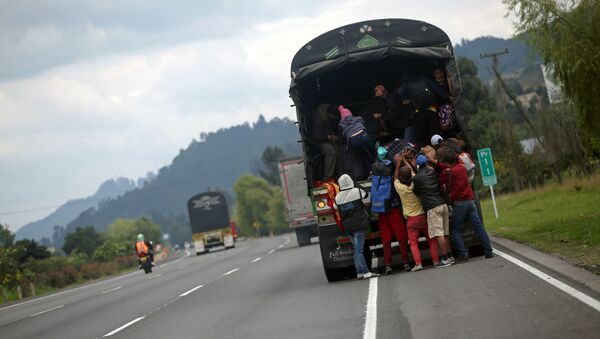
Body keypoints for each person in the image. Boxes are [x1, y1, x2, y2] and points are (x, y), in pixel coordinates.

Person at [433, 152, 494, 260]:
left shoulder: (448, 173)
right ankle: (488, 251)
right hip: (471, 202)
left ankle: (463, 254)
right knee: (479, 227)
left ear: (447, 162)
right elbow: (450, 167)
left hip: (460, 204)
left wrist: (436, 164)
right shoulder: (461, 167)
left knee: (455, 230)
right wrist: (438, 163)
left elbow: (440, 180)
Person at [393, 151, 440, 271]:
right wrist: (404, 161)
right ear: (410, 175)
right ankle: (435, 261)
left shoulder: (401, 189)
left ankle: (418, 264)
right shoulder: (416, 182)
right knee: (431, 240)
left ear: (401, 178)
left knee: (413, 243)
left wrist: (398, 163)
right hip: (423, 216)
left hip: (411, 221)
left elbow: (395, 177)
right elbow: (412, 171)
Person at [373, 147, 410, 274]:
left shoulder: (374, 170)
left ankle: (388, 264)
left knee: (386, 239)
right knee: (401, 236)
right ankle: (405, 262)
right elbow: (397, 178)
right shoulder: (391, 168)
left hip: (381, 210)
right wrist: (399, 162)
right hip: (393, 208)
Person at [334, 174, 379, 279]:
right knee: (359, 250)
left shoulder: (338, 197)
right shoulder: (357, 191)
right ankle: (366, 272)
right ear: (350, 181)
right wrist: (356, 184)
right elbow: (366, 195)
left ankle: (358, 272)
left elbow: (335, 207)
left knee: (356, 249)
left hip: (347, 227)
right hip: (359, 225)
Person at [413, 154, 454, 267]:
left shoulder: (417, 178)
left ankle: (445, 258)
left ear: (418, 165)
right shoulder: (433, 172)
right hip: (443, 204)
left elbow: (416, 192)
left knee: (438, 233)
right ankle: (450, 256)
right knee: (445, 233)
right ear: (426, 163)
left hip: (432, 207)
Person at [338, 105, 375, 179]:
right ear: (350, 113)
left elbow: (342, 138)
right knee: (374, 151)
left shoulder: (341, 124)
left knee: (362, 155)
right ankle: (378, 168)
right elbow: (364, 126)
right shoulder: (358, 118)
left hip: (353, 140)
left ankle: (370, 172)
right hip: (364, 136)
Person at [312, 103, 341, 181]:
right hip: (318, 141)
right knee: (331, 152)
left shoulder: (330, 115)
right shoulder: (318, 118)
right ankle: (327, 177)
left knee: (338, 152)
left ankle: (339, 175)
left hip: (327, 138)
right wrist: (329, 137)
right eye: (333, 116)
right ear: (329, 114)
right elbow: (316, 136)